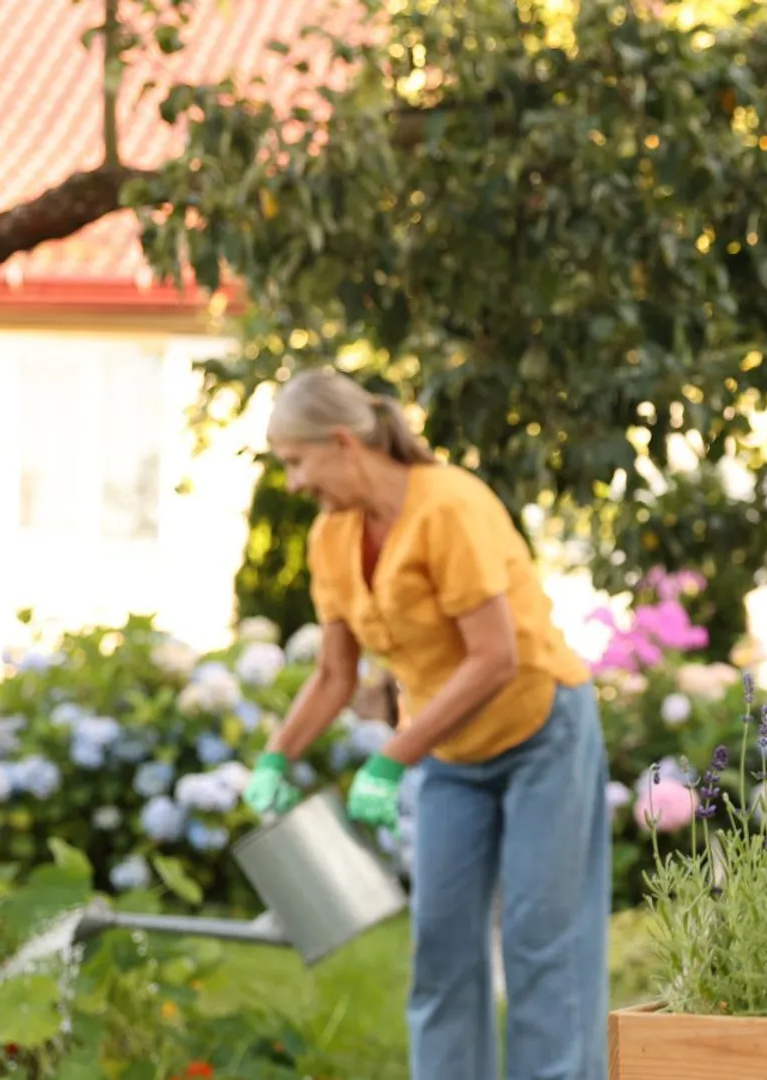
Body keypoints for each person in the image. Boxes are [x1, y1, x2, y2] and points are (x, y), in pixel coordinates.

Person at [239, 368, 610, 1080]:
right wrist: (275, 758)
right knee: (441, 949)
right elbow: (334, 675)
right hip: (450, 751)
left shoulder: (450, 507)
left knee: (541, 946)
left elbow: (495, 658)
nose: (291, 482)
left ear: (342, 441)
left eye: (294, 461)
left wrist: (393, 756)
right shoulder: (331, 537)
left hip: (541, 733)